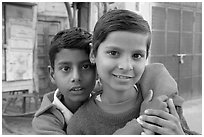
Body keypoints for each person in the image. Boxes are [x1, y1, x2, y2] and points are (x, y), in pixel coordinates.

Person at [66, 9, 197, 135]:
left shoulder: (165, 105)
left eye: (136, 55)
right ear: (93, 54)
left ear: (146, 57)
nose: (126, 66)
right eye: (113, 53)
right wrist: (142, 121)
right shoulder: (80, 125)